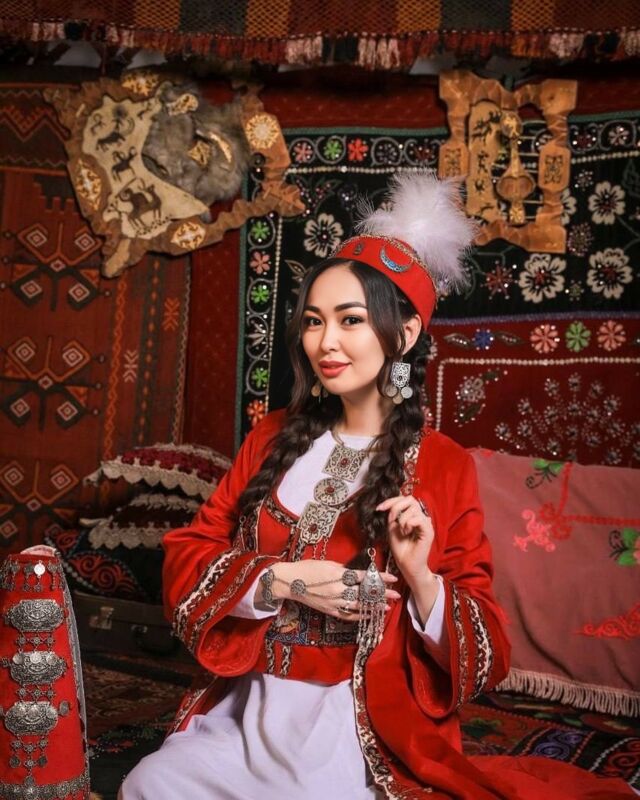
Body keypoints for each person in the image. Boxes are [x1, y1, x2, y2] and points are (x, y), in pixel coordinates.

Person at [120, 173, 635, 799]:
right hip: (249, 703)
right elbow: (187, 555)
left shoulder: (443, 465)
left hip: (353, 718)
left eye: (351, 320)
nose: (326, 342)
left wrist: (421, 578)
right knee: (150, 785)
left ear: (406, 334)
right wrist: (280, 580)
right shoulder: (271, 437)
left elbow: (487, 654)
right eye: (314, 321)